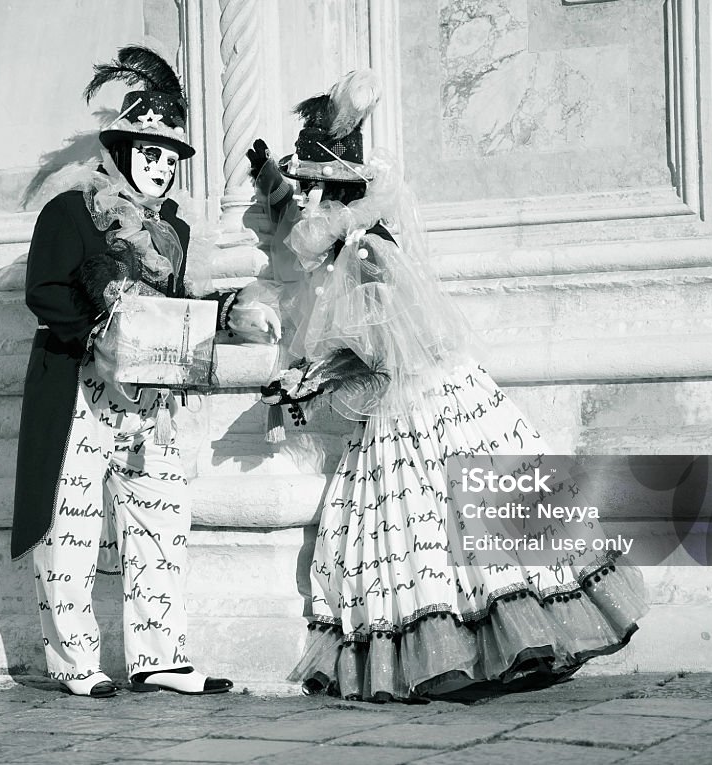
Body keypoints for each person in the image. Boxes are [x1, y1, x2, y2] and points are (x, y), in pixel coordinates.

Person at [249, 70, 649, 702]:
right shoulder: (366, 237)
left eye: (313, 190)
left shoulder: (363, 252)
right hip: (438, 393)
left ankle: (478, 645)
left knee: (435, 521)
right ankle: (510, 637)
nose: (307, 204)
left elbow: (386, 351)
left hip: (413, 402)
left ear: (333, 188)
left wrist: (316, 378)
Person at [11, 45, 277, 698]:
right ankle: (75, 661)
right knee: (69, 524)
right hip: (80, 384)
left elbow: (178, 312)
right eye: (148, 154)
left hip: (151, 401)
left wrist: (230, 313)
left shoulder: (174, 234)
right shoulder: (71, 213)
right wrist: (99, 327)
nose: (159, 168)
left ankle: (160, 656)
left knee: (162, 516)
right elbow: (44, 289)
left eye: (168, 158)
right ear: (123, 152)